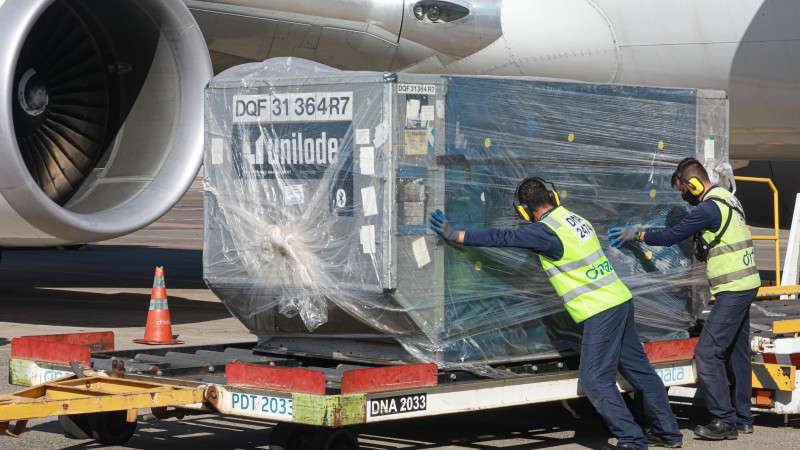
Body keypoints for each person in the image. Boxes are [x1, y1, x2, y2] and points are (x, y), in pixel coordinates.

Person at [431, 177, 682, 450]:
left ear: (524, 210)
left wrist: (457, 235)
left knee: (595, 380)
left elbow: (503, 237)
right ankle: (668, 432)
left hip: (600, 308)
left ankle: (632, 440)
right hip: (619, 299)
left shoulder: (545, 232)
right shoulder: (573, 218)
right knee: (639, 370)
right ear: (553, 196)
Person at [609, 157, 759, 441]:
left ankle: (724, 420)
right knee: (737, 352)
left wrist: (637, 235)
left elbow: (671, 236)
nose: (683, 197)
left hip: (733, 287)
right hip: (747, 282)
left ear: (693, 184)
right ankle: (743, 418)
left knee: (707, 353)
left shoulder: (708, 208)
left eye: (684, 190)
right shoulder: (727, 197)